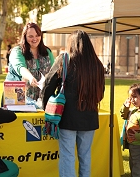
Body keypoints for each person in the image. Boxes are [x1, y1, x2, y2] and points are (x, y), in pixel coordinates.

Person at [41, 30, 105, 177]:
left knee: (68, 156)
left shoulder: (64, 59)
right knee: (85, 156)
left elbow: (48, 85)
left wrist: (47, 106)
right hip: (89, 116)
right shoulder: (97, 65)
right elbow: (100, 94)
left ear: (71, 44)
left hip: (67, 116)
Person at [5, 22, 54, 101]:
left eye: (37, 35)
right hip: (16, 94)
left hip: (40, 98)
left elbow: (53, 71)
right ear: (25, 37)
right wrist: (30, 78)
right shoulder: (17, 51)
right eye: (30, 36)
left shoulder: (47, 52)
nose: (34, 39)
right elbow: (20, 67)